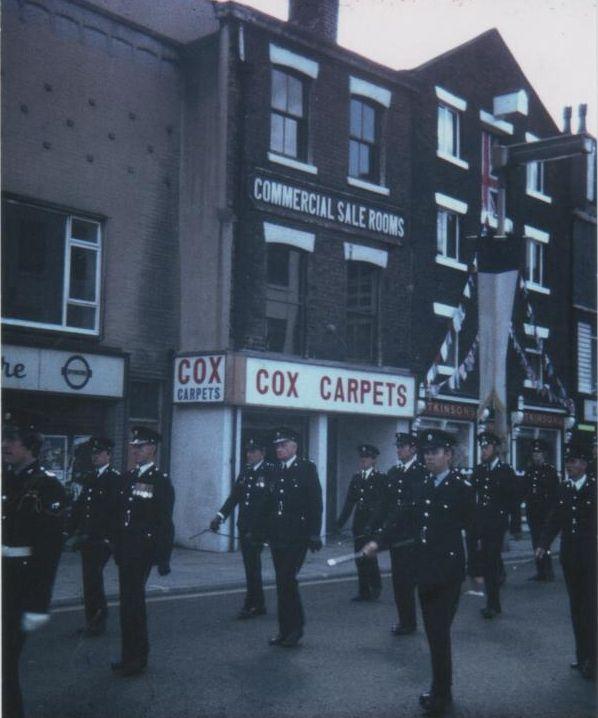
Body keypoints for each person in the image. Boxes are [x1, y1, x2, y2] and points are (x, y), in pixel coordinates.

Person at [364, 429, 473, 716]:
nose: (428, 457)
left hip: (448, 572)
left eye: (434, 452)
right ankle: (441, 688)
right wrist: (378, 541)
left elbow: (475, 531)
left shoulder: (461, 486)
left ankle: (441, 693)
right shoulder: (421, 484)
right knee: (435, 633)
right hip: (424, 570)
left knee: (438, 632)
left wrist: (478, 569)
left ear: (448, 455)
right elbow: (402, 516)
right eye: (425, 452)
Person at [2, 410, 66, 718]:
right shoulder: (6, 480)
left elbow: (49, 553)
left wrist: (39, 604)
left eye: (11, 441)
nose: (4, 446)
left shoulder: (47, 487)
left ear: (29, 446)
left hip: (20, 587)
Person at [111, 426, 175, 677]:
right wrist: (114, 543)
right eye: (133, 447)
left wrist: (164, 558)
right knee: (127, 603)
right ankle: (130, 655)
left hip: (144, 550)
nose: (135, 451)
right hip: (126, 549)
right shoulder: (127, 477)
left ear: (152, 449)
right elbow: (119, 513)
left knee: (134, 603)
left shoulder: (160, 480)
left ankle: (137, 657)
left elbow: (164, 521)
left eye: (140, 447)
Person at [537, 442, 596, 680]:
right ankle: (582, 656)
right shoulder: (564, 489)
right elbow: (555, 519)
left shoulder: (594, 489)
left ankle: (592, 659)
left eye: (573, 462)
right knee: (576, 608)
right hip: (571, 558)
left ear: (584, 464)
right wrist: (543, 543)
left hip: (593, 557)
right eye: (568, 462)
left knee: (591, 609)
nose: (569, 466)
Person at [266, 427, 323, 648]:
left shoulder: (307, 469)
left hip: (297, 536)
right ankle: (284, 630)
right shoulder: (275, 469)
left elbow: (315, 503)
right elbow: (268, 504)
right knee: (282, 582)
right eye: (277, 445)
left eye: (283, 445)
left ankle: (296, 628)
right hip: (277, 535)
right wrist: (260, 530)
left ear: (294, 447)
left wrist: (314, 533)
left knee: (287, 579)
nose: (279, 449)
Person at [210, 436, 275, 619]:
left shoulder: (269, 472)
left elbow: (267, 504)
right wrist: (219, 516)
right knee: (251, 566)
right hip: (244, 527)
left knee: (252, 566)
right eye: (248, 451)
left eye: (254, 451)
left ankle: (251, 605)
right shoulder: (245, 472)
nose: (249, 454)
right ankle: (258, 603)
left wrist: (257, 530)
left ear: (262, 453)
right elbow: (235, 497)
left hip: (258, 529)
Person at [370, 432, 425, 634]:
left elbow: (411, 507)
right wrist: (372, 525)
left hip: (415, 536)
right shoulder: (393, 472)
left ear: (413, 449)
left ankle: (419, 620)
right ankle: (407, 621)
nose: (398, 450)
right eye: (398, 447)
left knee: (417, 580)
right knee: (400, 581)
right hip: (397, 536)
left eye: (402, 447)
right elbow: (385, 502)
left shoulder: (421, 472)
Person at [67, 436, 120, 635]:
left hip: (102, 540)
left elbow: (115, 511)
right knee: (89, 580)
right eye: (93, 453)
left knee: (93, 578)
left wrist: (110, 538)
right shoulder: (91, 477)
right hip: (88, 538)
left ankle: (98, 620)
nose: (94, 456)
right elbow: (81, 507)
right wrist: (69, 530)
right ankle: (93, 620)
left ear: (108, 455)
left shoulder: (114, 479)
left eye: (98, 453)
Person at [469, 431, 517, 619]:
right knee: (489, 560)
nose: (483, 451)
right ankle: (494, 595)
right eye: (482, 448)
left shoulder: (505, 471)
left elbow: (513, 500)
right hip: (481, 521)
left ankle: (493, 604)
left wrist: (515, 527)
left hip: (497, 523)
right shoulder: (480, 470)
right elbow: (471, 493)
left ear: (495, 449)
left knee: (489, 561)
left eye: (486, 448)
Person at [336, 444, 384, 602]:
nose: (363, 460)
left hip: (372, 524)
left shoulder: (379, 478)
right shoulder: (356, 478)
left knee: (369, 556)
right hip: (359, 523)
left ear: (374, 460)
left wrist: (373, 524)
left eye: (367, 458)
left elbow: (380, 505)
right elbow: (350, 502)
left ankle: (375, 586)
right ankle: (363, 591)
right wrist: (339, 523)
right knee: (359, 558)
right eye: (362, 458)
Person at [521, 439, 559, 582]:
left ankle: (548, 571)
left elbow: (555, 493)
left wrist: (553, 511)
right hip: (533, 511)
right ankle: (540, 571)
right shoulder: (530, 471)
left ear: (544, 455)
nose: (536, 456)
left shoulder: (550, 471)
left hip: (545, 511)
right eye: (534, 453)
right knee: (535, 541)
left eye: (539, 453)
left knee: (545, 542)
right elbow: (525, 489)